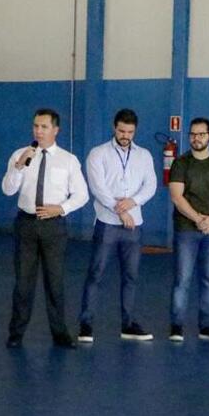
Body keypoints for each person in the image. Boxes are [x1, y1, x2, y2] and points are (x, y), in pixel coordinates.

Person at [2, 108, 88, 349]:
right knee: (23, 283)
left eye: (44, 127)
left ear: (55, 130)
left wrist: (61, 208)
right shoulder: (20, 154)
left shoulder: (68, 160)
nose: (38, 131)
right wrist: (18, 167)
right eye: (35, 126)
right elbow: (7, 190)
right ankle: (16, 333)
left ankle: (60, 333)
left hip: (53, 226)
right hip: (26, 223)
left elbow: (82, 195)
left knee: (55, 282)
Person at [78, 108, 158, 343]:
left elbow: (150, 185)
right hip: (107, 224)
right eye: (122, 131)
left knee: (131, 276)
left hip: (134, 225)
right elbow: (97, 188)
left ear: (135, 131)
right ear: (114, 128)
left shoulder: (144, 155)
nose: (125, 136)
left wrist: (132, 202)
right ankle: (86, 324)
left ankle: (128, 323)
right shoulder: (98, 153)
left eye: (130, 132)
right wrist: (120, 210)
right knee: (96, 273)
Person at [167, 117, 209, 342]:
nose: (196, 138)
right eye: (193, 134)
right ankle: (176, 326)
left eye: (201, 134)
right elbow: (176, 196)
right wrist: (197, 219)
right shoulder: (180, 163)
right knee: (182, 279)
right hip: (186, 229)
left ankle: (207, 325)